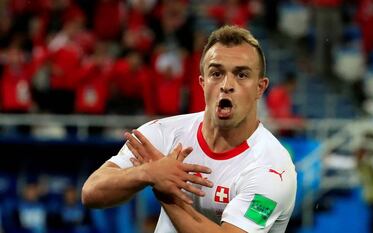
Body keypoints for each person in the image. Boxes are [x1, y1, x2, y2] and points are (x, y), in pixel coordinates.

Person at [82, 25, 297, 233]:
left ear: (260, 87)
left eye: (241, 75)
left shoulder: (272, 169)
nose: (227, 84)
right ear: (202, 83)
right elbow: (91, 192)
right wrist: (147, 172)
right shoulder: (165, 133)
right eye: (216, 73)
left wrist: (167, 192)